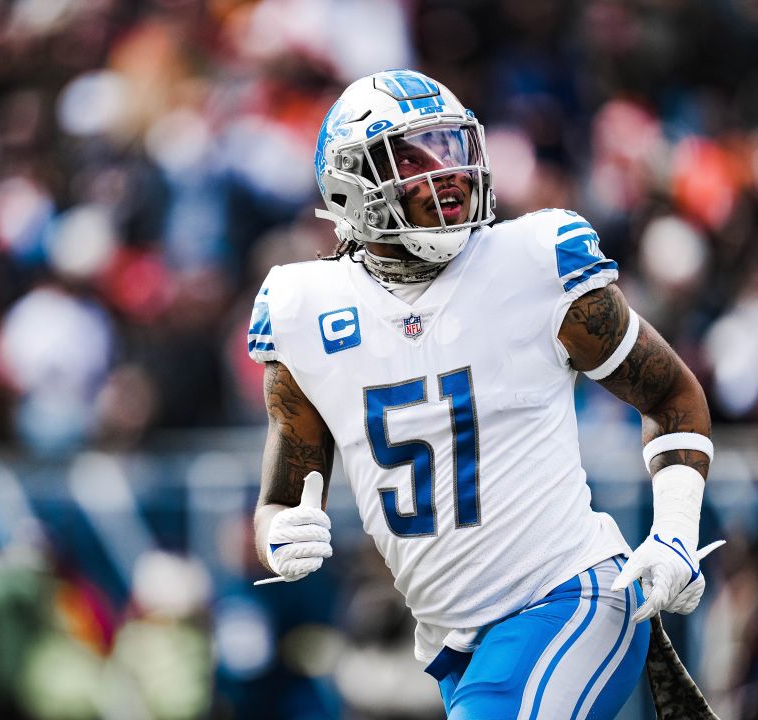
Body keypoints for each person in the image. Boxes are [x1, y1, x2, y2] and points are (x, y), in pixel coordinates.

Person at [247, 69, 720, 719]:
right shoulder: (305, 310)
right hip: (455, 643)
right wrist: (277, 532)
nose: (447, 174)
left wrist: (674, 530)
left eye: (452, 148)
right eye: (413, 158)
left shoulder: (533, 264)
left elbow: (671, 392)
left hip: (571, 598)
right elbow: (281, 495)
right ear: (349, 186)